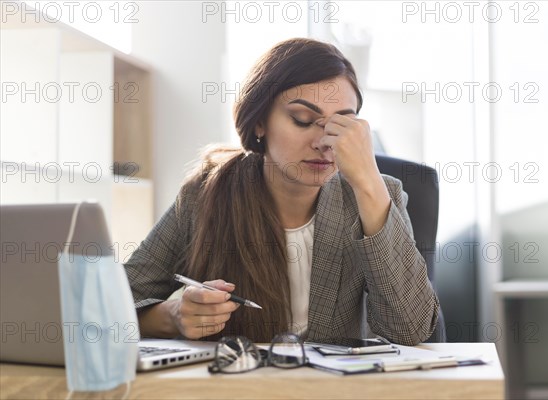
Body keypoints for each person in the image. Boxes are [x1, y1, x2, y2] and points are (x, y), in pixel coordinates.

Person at [124, 37, 440, 345]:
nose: (325, 142)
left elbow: (410, 330)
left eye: (342, 125)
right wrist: (173, 315)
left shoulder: (377, 195)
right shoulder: (206, 193)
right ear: (260, 121)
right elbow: (113, 304)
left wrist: (370, 183)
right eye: (303, 120)